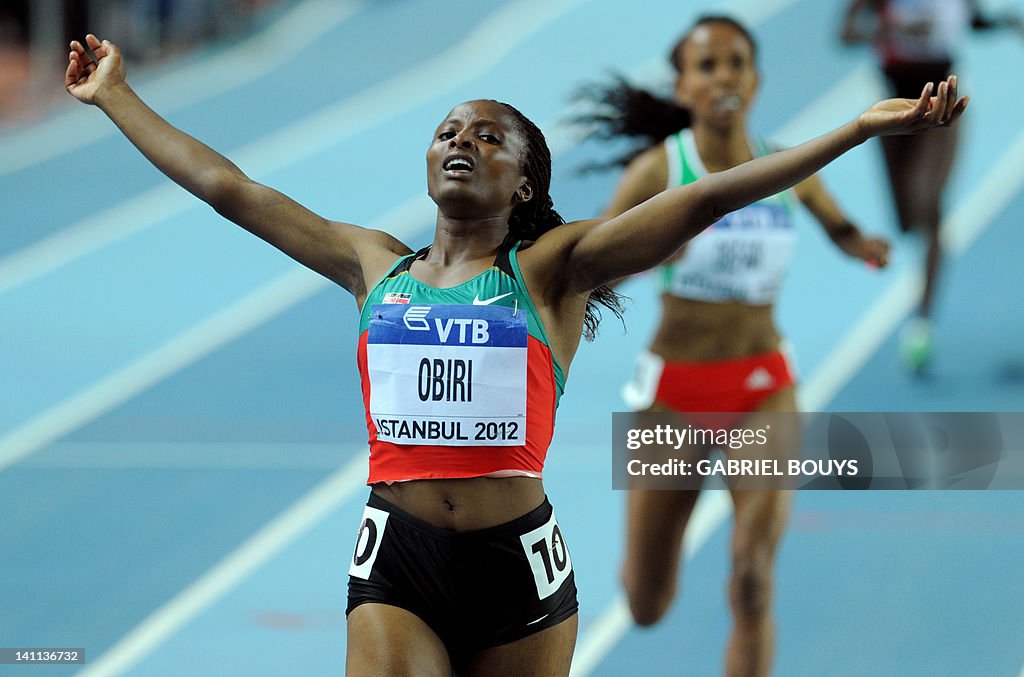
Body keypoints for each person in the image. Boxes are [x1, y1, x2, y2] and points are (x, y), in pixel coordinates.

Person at [65, 31, 965, 676]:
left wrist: (851, 132)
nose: (463, 141)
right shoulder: (369, 262)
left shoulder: (553, 270)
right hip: (397, 559)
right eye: (450, 132)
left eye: (488, 136)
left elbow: (703, 201)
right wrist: (115, 95)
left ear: (524, 181)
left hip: (520, 567)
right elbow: (230, 188)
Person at [573, 15, 893, 676]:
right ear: (684, 85)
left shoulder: (785, 166)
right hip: (673, 395)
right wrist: (657, 245)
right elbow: (591, 267)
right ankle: (642, 568)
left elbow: (838, 224)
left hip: (763, 387)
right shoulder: (657, 170)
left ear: (757, 79)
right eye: (708, 65)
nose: (724, 77)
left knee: (752, 576)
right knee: (645, 602)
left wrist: (861, 245)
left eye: (737, 63)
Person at [840, 0, 1024, 372]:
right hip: (890, 98)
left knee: (929, 202)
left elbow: (973, 21)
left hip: (944, 97)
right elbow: (845, 35)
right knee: (907, 219)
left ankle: (921, 326)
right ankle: (918, 239)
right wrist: (892, 32)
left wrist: (1006, 22)